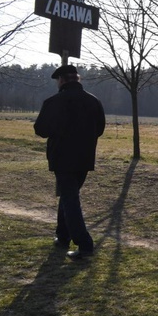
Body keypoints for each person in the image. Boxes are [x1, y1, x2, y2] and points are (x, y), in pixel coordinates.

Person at [34, 65, 106, 260]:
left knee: (70, 199)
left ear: (62, 80)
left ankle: (84, 244)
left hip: (61, 157)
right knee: (69, 196)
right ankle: (63, 235)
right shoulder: (94, 101)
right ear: (77, 79)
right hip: (84, 157)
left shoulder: (54, 102)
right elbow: (99, 129)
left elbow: (40, 130)